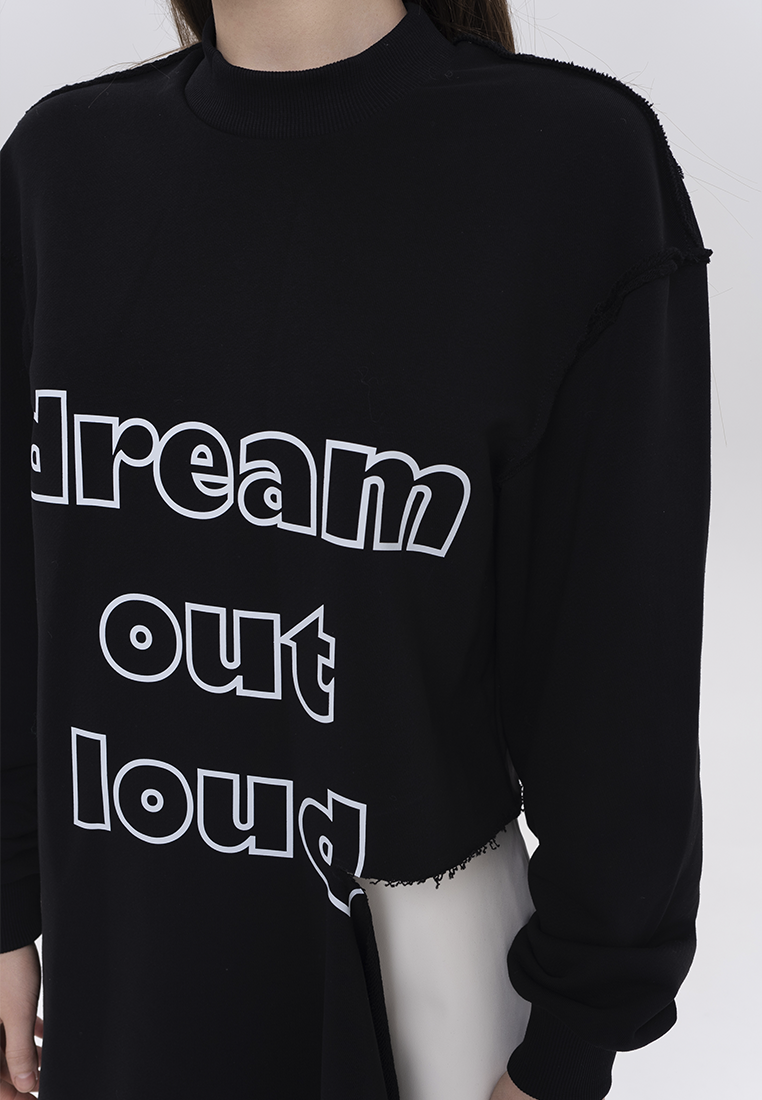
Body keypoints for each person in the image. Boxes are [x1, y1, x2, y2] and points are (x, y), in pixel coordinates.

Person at [0, 1, 712, 1097]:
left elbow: (620, 668)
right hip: (121, 988)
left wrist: (571, 1041)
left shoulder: (567, 166)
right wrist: (8, 905)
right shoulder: (62, 166)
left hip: (424, 1010)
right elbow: (15, 593)